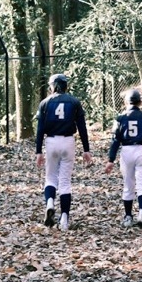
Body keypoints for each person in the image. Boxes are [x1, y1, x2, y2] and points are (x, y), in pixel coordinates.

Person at [35, 73, 92, 231]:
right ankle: (64, 220)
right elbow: (81, 126)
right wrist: (86, 149)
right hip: (68, 141)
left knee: (50, 178)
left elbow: (40, 129)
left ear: (52, 86)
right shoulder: (74, 102)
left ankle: (50, 203)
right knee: (65, 182)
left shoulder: (45, 103)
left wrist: (38, 151)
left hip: (51, 141)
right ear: (66, 85)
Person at [104, 88, 142, 228]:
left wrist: (111, 160)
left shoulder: (120, 118)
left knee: (128, 185)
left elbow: (115, 140)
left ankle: (128, 216)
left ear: (126, 102)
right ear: (139, 102)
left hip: (127, 150)